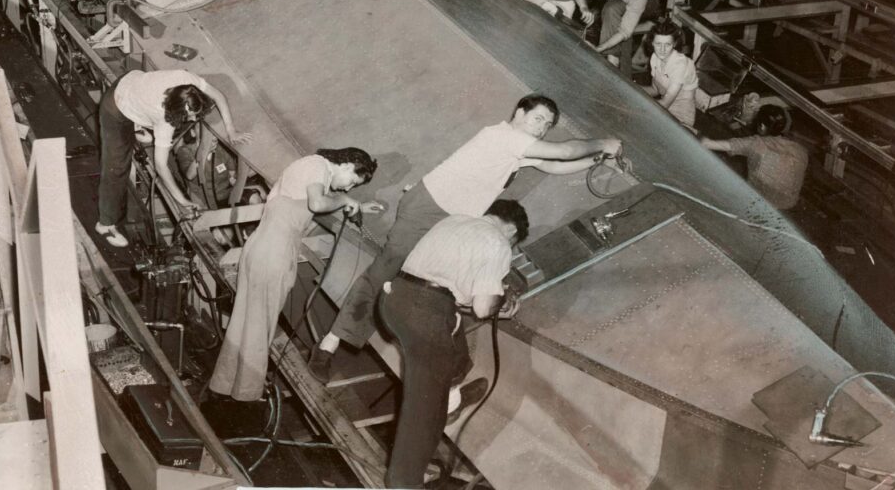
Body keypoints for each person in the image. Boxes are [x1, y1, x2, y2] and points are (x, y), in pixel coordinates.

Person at [308, 94, 623, 382]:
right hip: (428, 209)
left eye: (548, 125)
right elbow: (565, 150)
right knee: (384, 269)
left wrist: (597, 160)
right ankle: (327, 348)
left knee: (442, 289)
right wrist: (603, 142)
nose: (542, 128)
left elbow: (554, 165)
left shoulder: (517, 149)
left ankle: (450, 383)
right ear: (519, 112)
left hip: (450, 221)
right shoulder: (503, 136)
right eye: (537, 118)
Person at [210, 148, 385, 402]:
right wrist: (346, 201)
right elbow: (317, 203)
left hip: (261, 247)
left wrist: (356, 205)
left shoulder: (311, 167)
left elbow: (305, 204)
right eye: (352, 183)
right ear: (347, 165)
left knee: (244, 321)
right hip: (274, 253)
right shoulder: (318, 167)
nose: (347, 189)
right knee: (262, 325)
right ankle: (246, 396)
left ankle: (224, 384)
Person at [380, 199, 526, 489]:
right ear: (511, 231)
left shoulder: (456, 219)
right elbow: (483, 309)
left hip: (394, 300)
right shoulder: (499, 243)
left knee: (457, 359)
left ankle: (450, 401)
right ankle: (403, 482)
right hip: (426, 315)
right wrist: (501, 299)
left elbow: (454, 283)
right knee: (422, 406)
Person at [96, 70, 250, 247]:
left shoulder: (186, 80)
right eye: (189, 116)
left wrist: (231, 131)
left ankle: (140, 126)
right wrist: (181, 200)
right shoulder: (164, 119)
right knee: (116, 169)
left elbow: (219, 96)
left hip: (135, 84)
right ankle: (105, 224)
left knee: (170, 127)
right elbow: (161, 166)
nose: (193, 120)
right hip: (116, 107)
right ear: (174, 110)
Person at [701, 105, 809, 211]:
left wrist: (697, 134)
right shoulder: (801, 150)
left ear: (762, 126)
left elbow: (708, 144)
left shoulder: (754, 144)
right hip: (788, 203)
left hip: (757, 199)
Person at [644, 19, 699, 128]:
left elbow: (665, 103)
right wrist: (629, 87)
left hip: (681, 116)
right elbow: (655, 90)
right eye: (658, 44)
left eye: (667, 44)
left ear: (674, 44)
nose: (662, 49)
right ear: (652, 43)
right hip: (662, 106)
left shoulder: (680, 64)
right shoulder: (655, 58)